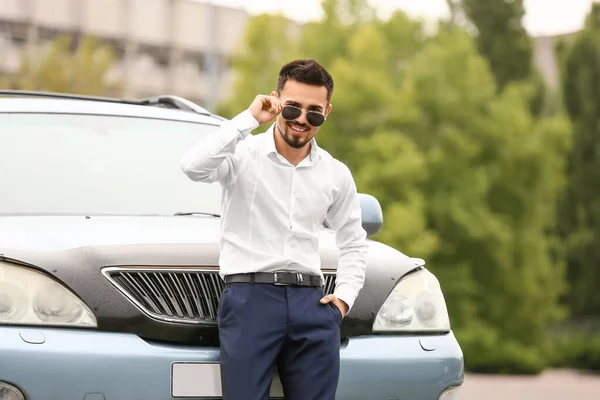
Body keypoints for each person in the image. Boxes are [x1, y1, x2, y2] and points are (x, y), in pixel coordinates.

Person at [179, 58, 368, 400]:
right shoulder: (241, 155)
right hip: (250, 301)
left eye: (314, 112)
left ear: (327, 112)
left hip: (313, 305)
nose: (301, 121)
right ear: (276, 100)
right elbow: (192, 167)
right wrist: (249, 119)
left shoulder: (336, 174)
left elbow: (354, 242)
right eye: (292, 108)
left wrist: (342, 301)